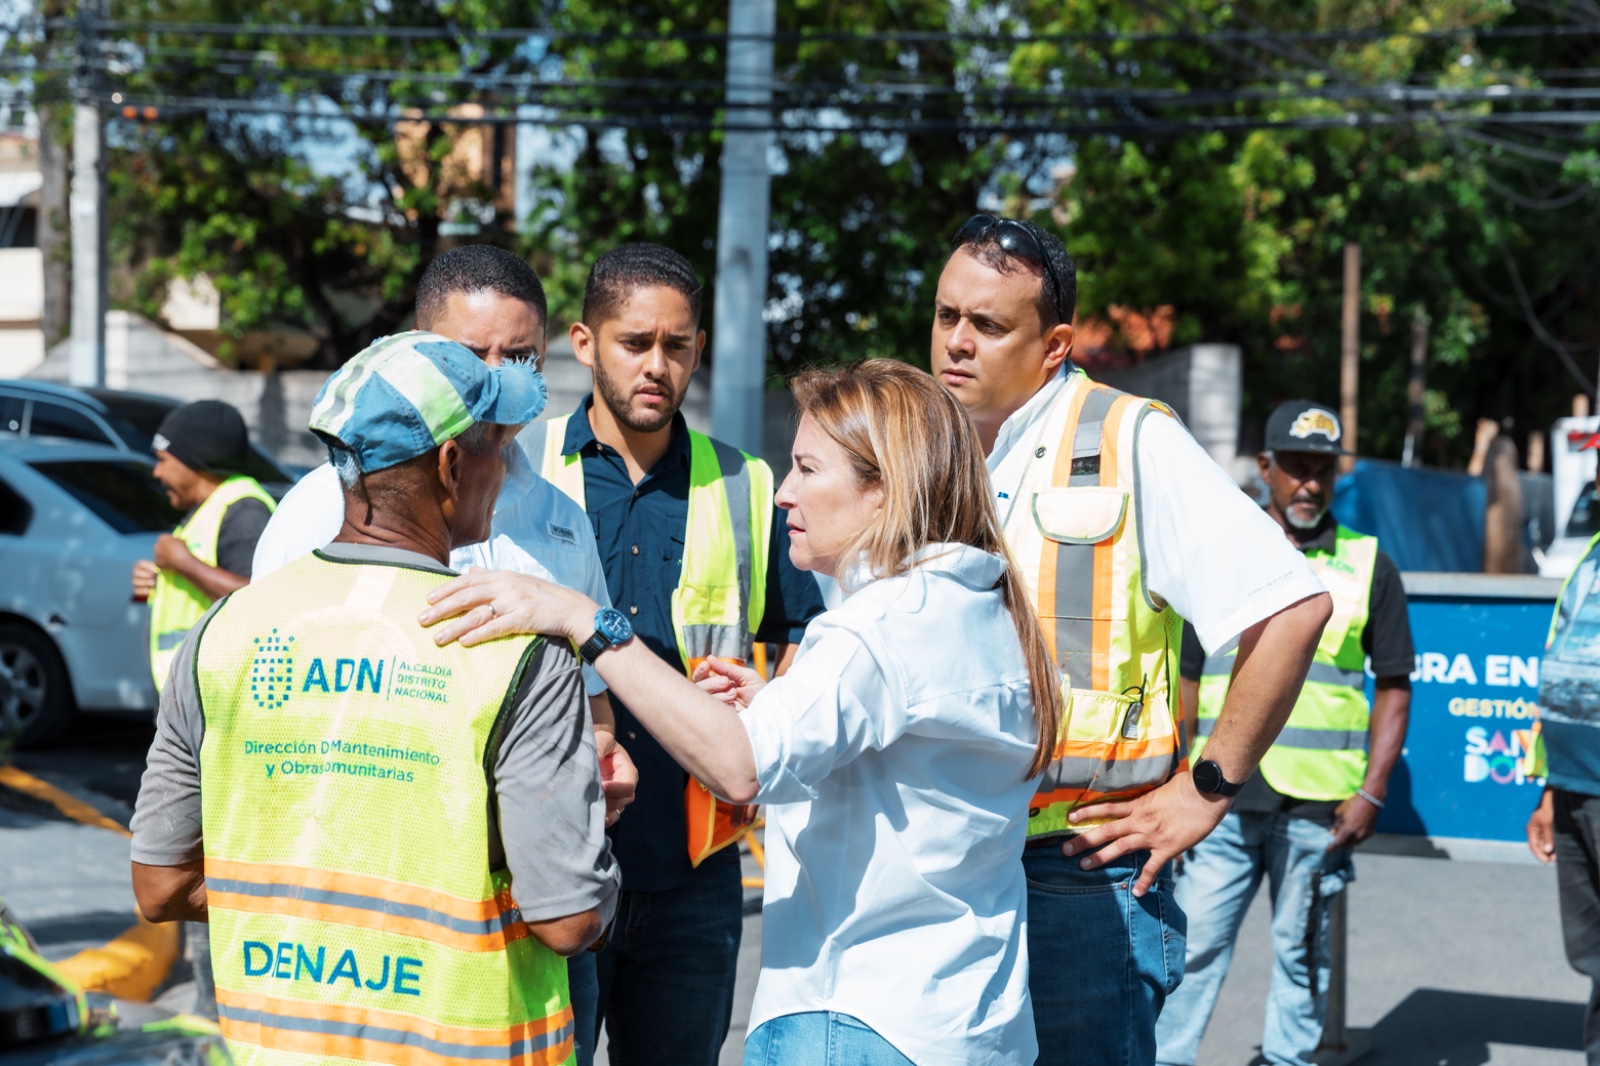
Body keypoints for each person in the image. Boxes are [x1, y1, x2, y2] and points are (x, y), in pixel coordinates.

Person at [420, 359, 1058, 1066]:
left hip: (855, 1020)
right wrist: (778, 703)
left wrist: (582, 618)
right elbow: (904, 754)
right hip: (969, 1022)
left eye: (808, 469)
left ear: (884, 489)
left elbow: (741, 767)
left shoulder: (879, 627)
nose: (785, 494)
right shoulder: (978, 604)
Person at [128, 331, 621, 1066]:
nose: (507, 463)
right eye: (497, 446)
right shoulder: (516, 651)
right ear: (453, 464)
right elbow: (569, 919)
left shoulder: (224, 632)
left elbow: (159, 884)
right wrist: (591, 841)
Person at [929, 214, 1333, 1066]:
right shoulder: (923, 447)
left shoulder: (1129, 438)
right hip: (947, 861)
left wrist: (1206, 789)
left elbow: (1293, 607)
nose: (957, 342)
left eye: (989, 324)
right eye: (946, 316)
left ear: (1055, 344)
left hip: (1080, 874)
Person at [249, 244, 634, 1065]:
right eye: (472, 358)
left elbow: (591, 692)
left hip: (538, 908)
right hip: (379, 924)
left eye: (520, 358)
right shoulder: (323, 509)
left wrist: (605, 753)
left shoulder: (561, 514)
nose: (500, 380)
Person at [515, 242, 826, 1065]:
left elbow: (809, 631)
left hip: (696, 873)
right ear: (584, 343)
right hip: (547, 861)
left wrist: (773, 701)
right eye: (635, 343)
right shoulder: (517, 474)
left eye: (678, 346)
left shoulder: (751, 484)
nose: (658, 365)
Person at [1154, 400, 1413, 1066]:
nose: (1310, 484)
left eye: (1321, 471)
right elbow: (1184, 679)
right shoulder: (1218, 557)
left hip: (1316, 807)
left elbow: (1394, 686)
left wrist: (1373, 791)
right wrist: (1176, 778)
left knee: (1301, 954)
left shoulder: (1368, 564)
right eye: (1295, 468)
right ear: (1264, 468)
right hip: (1218, 804)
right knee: (1194, 947)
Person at [1527, 438, 1600, 1064]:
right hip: (1576, 784)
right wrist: (1549, 788)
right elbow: (1561, 672)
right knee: (1594, 954)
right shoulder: (1590, 560)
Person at [132, 399, 275, 691]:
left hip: (217, 697)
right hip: (191, 697)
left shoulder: (244, 511)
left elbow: (259, 601)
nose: (156, 473)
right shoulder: (206, 509)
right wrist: (156, 582)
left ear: (193, 460)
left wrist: (183, 563)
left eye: (163, 460)